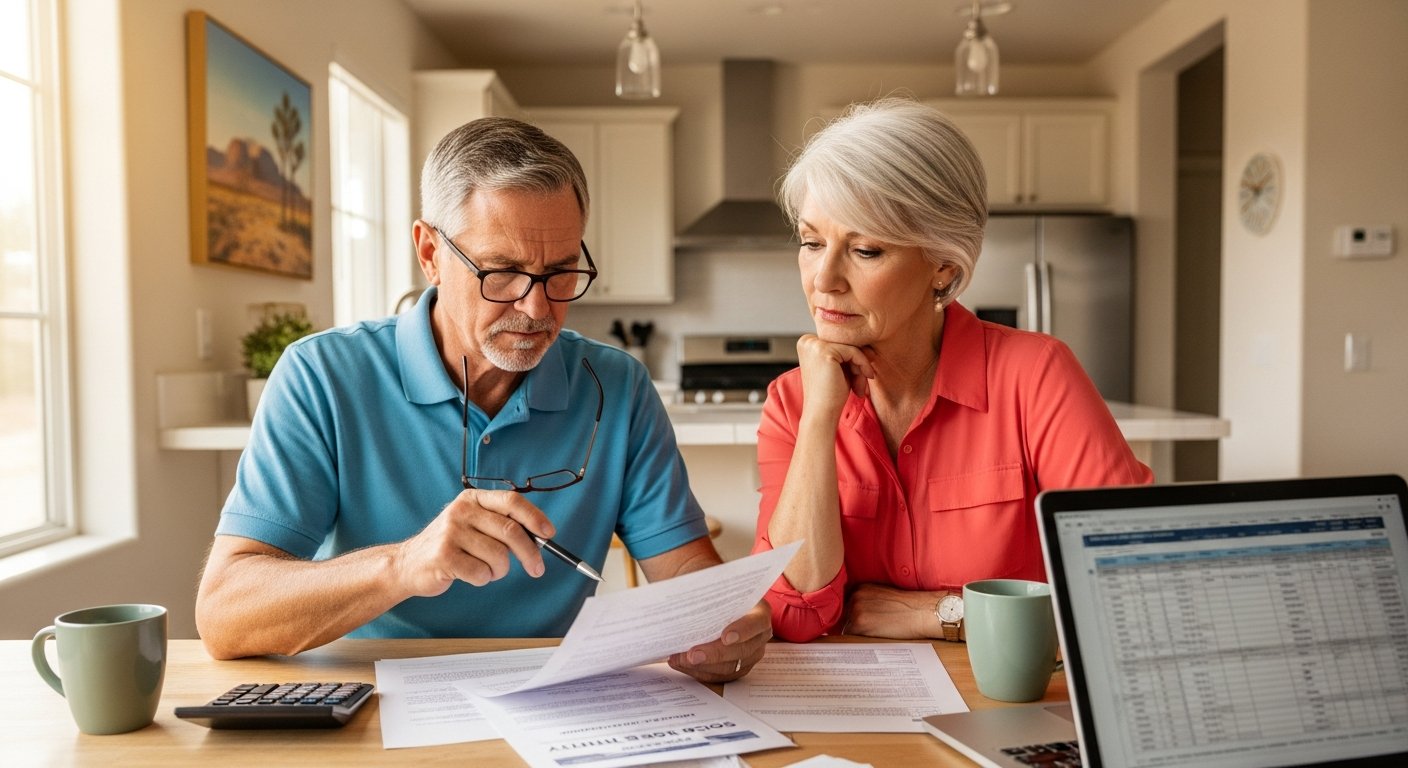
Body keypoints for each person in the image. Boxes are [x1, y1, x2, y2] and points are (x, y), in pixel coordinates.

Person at [196, 117, 768, 682]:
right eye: (502, 272)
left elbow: (685, 567)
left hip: (554, 698)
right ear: (429, 253)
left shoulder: (617, 385)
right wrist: (402, 565)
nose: (537, 309)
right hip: (375, 701)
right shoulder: (321, 376)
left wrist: (727, 617)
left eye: (561, 272)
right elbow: (225, 616)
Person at [753, 98, 1152, 644]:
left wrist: (941, 613)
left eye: (866, 250)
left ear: (943, 264)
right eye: (811, 242)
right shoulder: (793, 402)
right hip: (856, 712)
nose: (824, 279)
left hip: (1007, 700)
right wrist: (821, 418)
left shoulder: (1036, 376)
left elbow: (1133, 583)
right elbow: (794, 614)